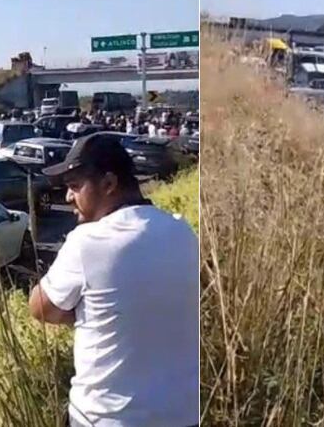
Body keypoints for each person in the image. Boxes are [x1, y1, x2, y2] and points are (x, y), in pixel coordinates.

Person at [30, 134, 199, 427]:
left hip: (106, 418)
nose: (69, 197)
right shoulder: (183, 232)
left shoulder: (88, 242)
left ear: (108, 184)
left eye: (75, 187)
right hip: (183, 416)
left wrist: (90, 313)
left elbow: (41, 308)